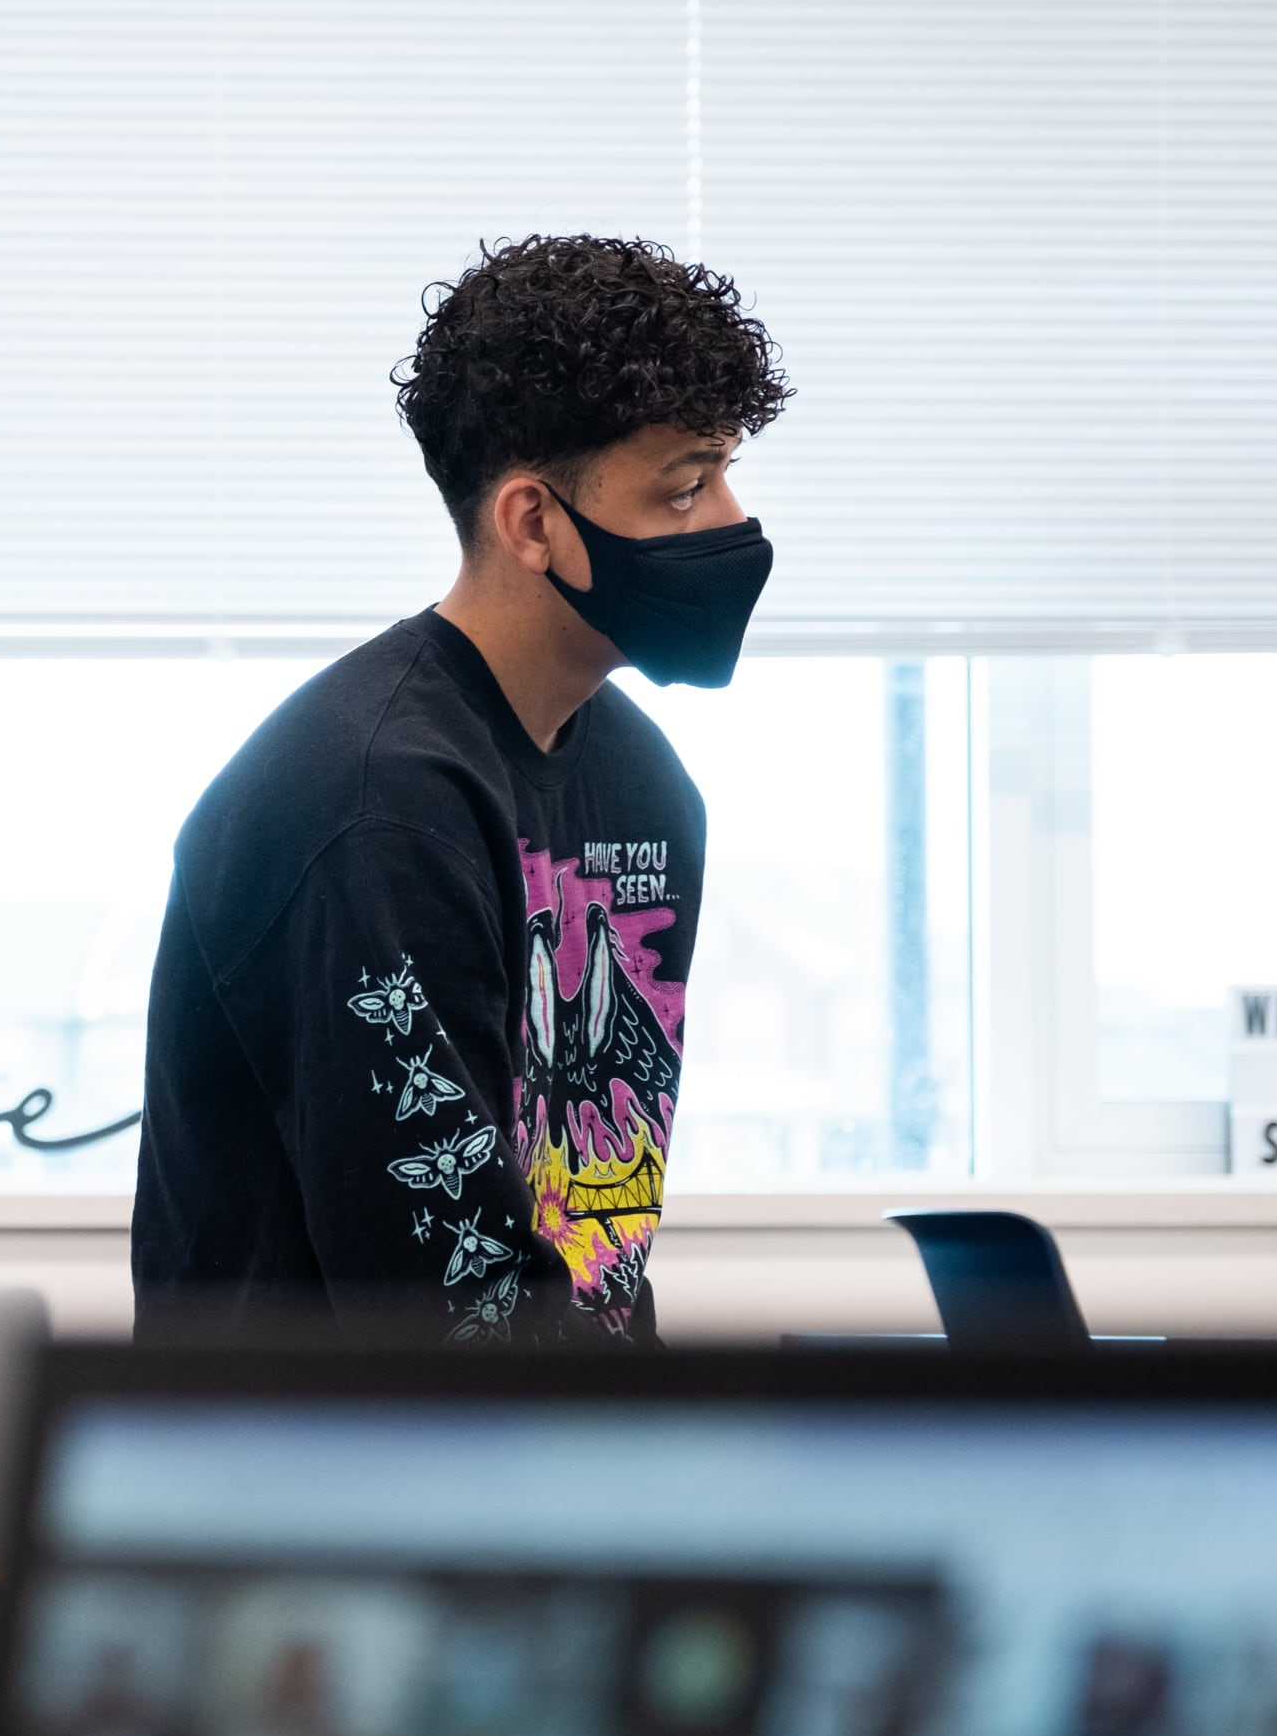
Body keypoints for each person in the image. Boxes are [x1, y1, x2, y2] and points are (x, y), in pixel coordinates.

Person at [132, 235, 791, 1343]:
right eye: (683, 489)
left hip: (542, 1467)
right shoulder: (370, 803)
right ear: (533, 522)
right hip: (310, 1485)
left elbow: (594, 1229)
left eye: (725, 472)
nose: (731, 520)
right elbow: (446, 1293)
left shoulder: (642, 782)